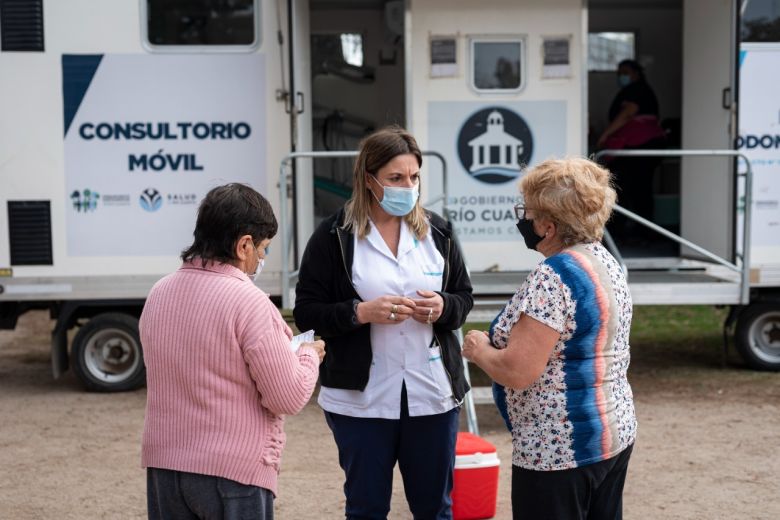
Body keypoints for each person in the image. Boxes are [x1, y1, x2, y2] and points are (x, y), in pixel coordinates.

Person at [293, 127, 473, 519]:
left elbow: (464, 298)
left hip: (432, 395)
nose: (408, 187)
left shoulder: (438, 231)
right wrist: (360, 313)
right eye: (396, 178)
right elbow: (306, 310)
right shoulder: (333, 235)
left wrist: (443, 307)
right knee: (367, 507)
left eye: (414, 177)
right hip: (362, 401)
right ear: (368, 179)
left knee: (434, 508)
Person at [462, 158, 637, 520]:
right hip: (612, 432)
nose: (521, 219)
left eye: (526, 211)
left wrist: (479, 350)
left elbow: (517, 370)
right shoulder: (605, 261)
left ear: (547, 226)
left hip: (559, 447)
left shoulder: (553, 277)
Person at [139, 183, 325, 520]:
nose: (262, 259)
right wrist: (308, 354)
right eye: (263, 249)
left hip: (164, 464)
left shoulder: (159, 292)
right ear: (244, 245)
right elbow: (288, 397)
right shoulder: (248, 301)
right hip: (232, 472)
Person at [596, 59, 666, 241]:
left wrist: (605, 135)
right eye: (619, 72)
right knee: (635, 189)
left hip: (640, 148)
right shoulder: (633, 89)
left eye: (625, 72)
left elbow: (628, 113)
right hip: (636, 147)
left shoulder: (638, 89)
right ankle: (637, 233)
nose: (621, 76)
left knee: (630, 189)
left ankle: (634, 233)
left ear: (636, 73)